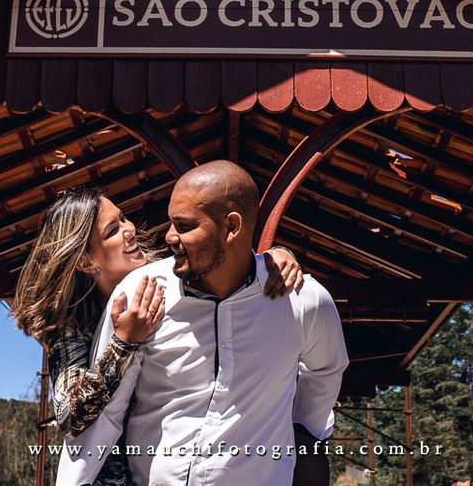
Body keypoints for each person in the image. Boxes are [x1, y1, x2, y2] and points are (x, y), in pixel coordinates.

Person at [57, 161, 348, 486]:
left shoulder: (301, 298)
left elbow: (325, 370)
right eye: (112, 230)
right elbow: (98, 416)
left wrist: (301, 432)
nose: (167, 236)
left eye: (183, 225)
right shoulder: (135, 298)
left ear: (231, 227)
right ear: (85, 261)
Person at [11, 185, 304, 486]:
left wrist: (270, 261)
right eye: (113, 230)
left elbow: (224, 263)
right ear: (86, 262)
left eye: (123, 218)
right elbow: (71, 416)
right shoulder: (73, 324)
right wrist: (123, 344)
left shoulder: (168, 282)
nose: (130, 229)